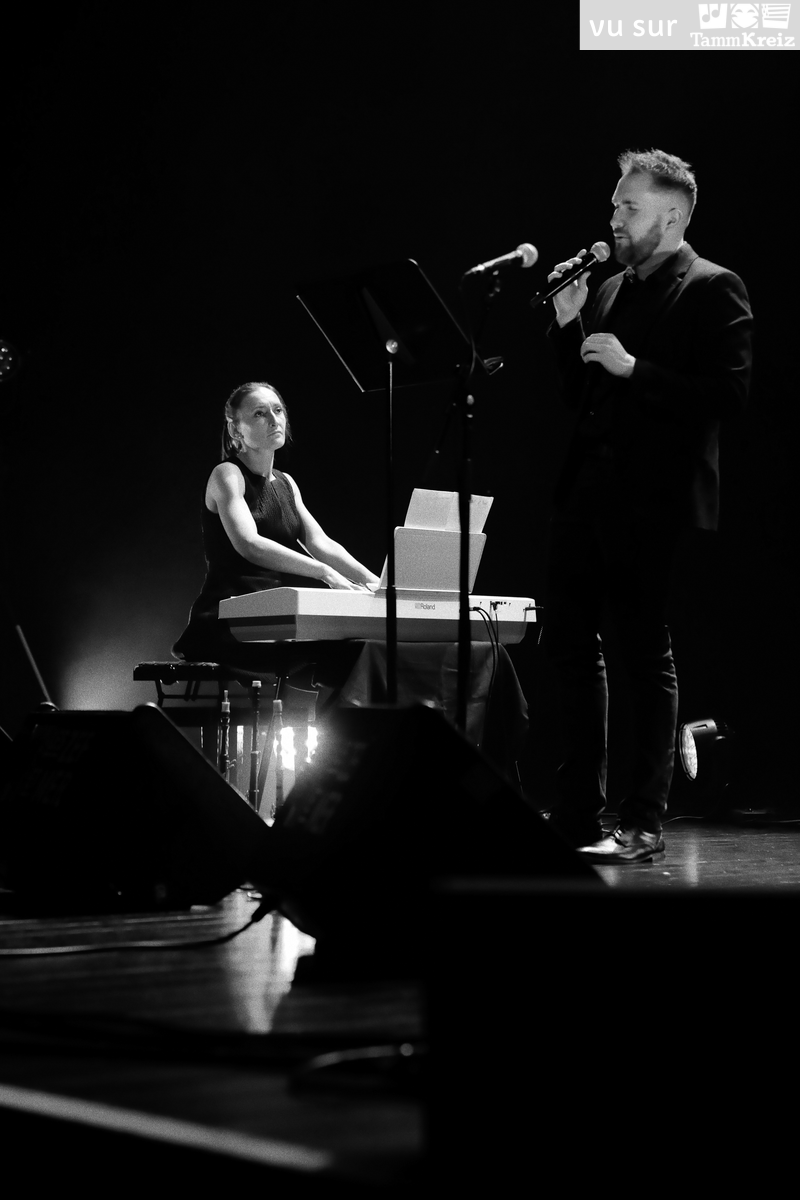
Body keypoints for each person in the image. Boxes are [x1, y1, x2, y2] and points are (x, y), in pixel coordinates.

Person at [543, 149, 753, 863]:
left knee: (641, 654)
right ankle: (575, 814)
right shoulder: (606, 290)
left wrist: (640, 371)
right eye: (613, 207)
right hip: (585, 498)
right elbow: (581, 400)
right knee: (568, 649)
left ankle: (642, 820)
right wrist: (569, 328)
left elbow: (729, 396)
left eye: (627, 209)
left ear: (670, 214)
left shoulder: (713, 287)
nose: (614, 221)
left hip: (651, 500)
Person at [173, 381, 380, 665]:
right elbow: (250, 544)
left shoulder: (286, 483)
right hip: (228, 620)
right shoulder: (227, 474)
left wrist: (378, 584)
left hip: (272, 616)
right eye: (260, 413)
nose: (273, 420)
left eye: (278, 410)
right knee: (344, 654)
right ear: (236, 430)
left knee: (361, 647)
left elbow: (321, 543)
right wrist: (325, 573)